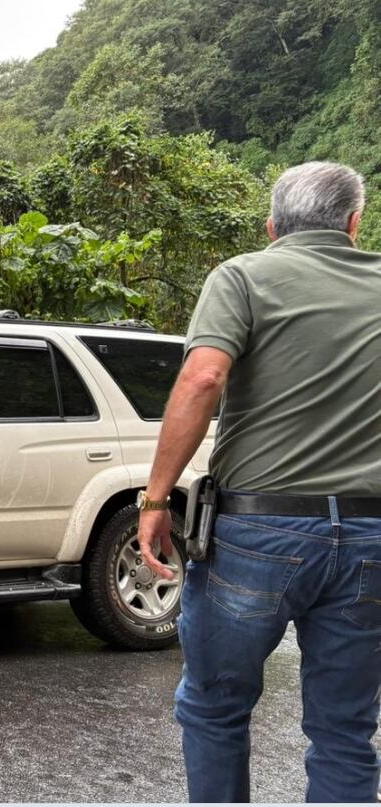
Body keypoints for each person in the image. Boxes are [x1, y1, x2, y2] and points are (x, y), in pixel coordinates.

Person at [136, 161, 381, 803]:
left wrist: (155, 498)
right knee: (346, 730)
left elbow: (203, 378)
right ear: (354, 223)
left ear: (272, 226)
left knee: (216, 708)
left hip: (257, 530)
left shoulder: (242, 276)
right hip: (371, 532)